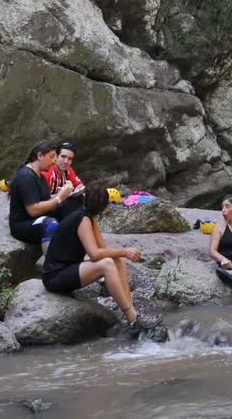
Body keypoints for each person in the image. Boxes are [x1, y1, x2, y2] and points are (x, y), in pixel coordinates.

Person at [42, 184, 147, 329]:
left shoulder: (89, 217)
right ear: (103, 207)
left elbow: (103, 247)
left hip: (66, 270)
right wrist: (124, 251)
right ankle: (133, 318)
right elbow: (94, 254)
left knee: (118, 260)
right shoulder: (82, 219)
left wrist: (123, 254)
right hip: (55, 276)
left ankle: (132, 313)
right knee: (107, 264)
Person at [8, 140, 74, 251]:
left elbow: (46, 201)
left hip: (37, 217)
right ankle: (53, 261)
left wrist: (63, 194)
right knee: (50, 224)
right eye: (51, 157)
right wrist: (59, 198)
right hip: (23, 224)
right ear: (39, 155)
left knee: (73, 207)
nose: (54, 161)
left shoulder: (41, 177)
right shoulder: (26, 176)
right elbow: (33, 210)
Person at [43, 140, 85, 220]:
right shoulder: (47, 171)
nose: (66, 161)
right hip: (45, 210)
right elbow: (40, 200)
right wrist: (62, 194)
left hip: (58, 205)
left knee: (81, 198)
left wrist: (72, 192)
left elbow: (80, 186)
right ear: (56, 157)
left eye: (69, 159)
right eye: (63, 157)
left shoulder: (67, 170)